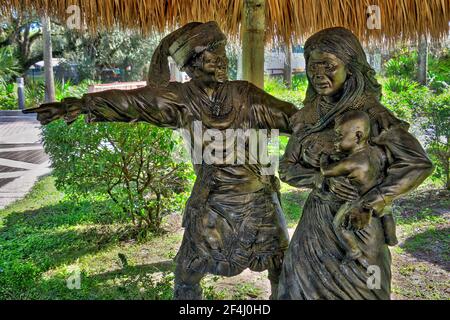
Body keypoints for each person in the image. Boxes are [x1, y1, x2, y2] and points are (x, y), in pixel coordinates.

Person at [23, 21, 298, 300]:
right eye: (212, 55)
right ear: (191, 66)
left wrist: (326, 118)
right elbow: (132, 102)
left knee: (283, 267)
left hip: (259, 202)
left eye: (223, 52)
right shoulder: (181, 99)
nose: (222, 60)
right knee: (187, 274)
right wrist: (77, 105)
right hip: (212, 203)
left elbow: (290, 117)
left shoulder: (245, 94)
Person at [278, 27, 433, 300]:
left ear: (350, 68)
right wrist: (318, 179)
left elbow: (418, 163)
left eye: (329, 65)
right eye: (313, 66)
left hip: (359, 225)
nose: (319, 74)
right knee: (298, 291)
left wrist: (369, 203)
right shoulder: (308, 118)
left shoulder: (374, 117)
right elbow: (287, 169)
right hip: (315, 229)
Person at [319, 110, 397, 266]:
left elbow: (326, 171)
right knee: (386, 212)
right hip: (377, 196)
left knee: (339, 226)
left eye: (339, 136)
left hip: (359, 200)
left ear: (358, 136)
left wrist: (324, 159)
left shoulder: (351, 162)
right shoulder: (376, 152)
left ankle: (353, 250)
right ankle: (391, 237)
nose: (335, 141)